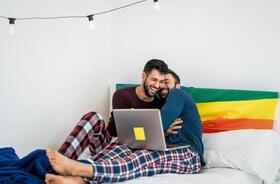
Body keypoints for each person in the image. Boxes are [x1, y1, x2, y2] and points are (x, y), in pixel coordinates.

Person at [45, 61, 203, 183]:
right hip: (142, 144)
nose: (160, 86)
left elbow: (160, 123)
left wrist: (160, 128)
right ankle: (75, 177)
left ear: (177, 85)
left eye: (165, 81)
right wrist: (161, 130)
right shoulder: (130, 96)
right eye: (158, 81)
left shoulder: (178, 94)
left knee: (141, 157)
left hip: (188, 152)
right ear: (143, 77)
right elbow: (153, 131)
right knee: (123, 150)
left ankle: (79, 168)